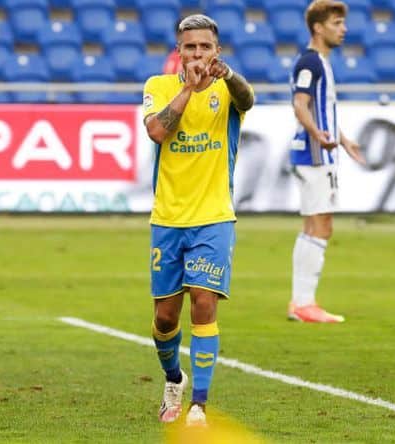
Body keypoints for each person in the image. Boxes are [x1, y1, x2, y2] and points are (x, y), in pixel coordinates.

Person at [142, 14, 254, 427]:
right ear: (179, 51)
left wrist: (228, 77)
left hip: (213, 218)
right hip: (168, 219)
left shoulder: (229, 90)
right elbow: (156, 131)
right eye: (190, 47)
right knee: (165, 319)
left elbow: (248, 100)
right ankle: (175, 379)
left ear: (216, 51)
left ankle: (199, 407)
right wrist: (189, 88)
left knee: (204, 305)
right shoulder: (159, 87)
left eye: (205, 47)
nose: (197, 54)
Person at [286, 0, 366, 323]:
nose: (342, 29)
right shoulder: (310, 63)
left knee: (312, 226)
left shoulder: (321, 62)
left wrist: (343, 139)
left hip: (320, 150)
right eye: (336, 23)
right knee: (322, 225)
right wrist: (317, 134)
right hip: (315, 155)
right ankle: (305, 303)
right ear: (318, 28)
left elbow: (320, 109)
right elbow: (300, 104)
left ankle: (300, 302)